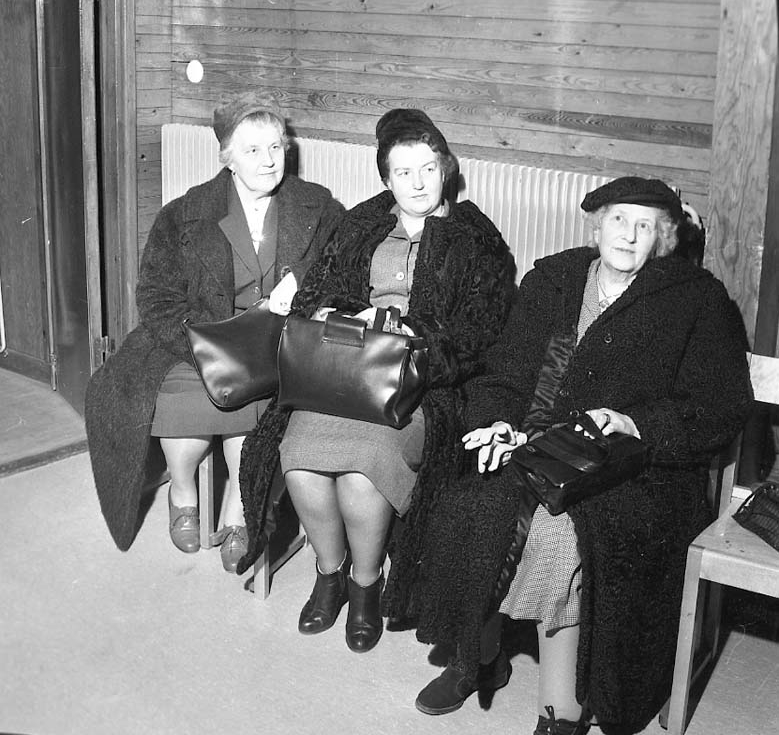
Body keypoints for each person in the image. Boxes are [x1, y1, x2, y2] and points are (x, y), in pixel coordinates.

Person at [383, 176, 753, 735]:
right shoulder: (553, 280)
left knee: (559, 536)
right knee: (468, 502)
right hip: (533, 446)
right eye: (618, 219)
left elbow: (722, 406)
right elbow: (504, 372)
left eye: (645, 225)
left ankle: (561, 712)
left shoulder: (697, 300)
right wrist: (499, 424)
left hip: (637, 470)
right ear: (597, 225)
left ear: (664, 237)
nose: (629, 235)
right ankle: (478, 659)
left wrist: (636, 424)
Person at [236, 108, 516, 652]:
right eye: (403, 172)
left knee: (362, 475)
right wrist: (338, 316)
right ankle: (330, 573)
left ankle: (366, 585)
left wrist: (411, 333)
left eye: (428, 169)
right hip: (345, 374)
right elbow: (318, 291)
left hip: (421, 387)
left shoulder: (476, 239)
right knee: (299, 460)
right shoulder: (363, 222)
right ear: (387, 178)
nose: (418, 183)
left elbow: (483, 333)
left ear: (445, 170)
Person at [85, 92, 344, 572]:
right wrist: (203, 346)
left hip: (279, 347)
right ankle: (183, 491)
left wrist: (304, 286)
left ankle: (239, 509)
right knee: (178, 398)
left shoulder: (319, 207)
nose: (268, 161)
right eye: (252, 150)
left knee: (258, 408)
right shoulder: (183, 213)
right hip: (198, 342)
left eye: (276, 147)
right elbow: (156, 298)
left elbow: (345, 271)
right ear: (227, 158)